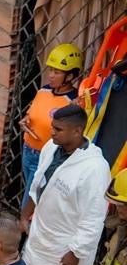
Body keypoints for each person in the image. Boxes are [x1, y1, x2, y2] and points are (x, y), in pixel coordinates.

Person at [19, 104, 110, 265]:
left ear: (77, 131)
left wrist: (76, 252)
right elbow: (38, 182)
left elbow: (94, 218)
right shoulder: (52, 149)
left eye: (58, 130)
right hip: (41, 234)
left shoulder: (94, 169)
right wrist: (25, 213)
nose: (52, 134)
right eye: (52, 128)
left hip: (65, 246)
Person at [18, 44, 82, 202]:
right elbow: (31, 114)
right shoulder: (43, 91)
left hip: (46, 156)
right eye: (50, 70)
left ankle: (24, 224)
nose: (51, 75)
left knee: (31, 198)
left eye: (57, 72)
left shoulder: (73, 102)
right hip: (28, 150)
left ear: (70, 76)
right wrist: (25, 120)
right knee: (31, 191)